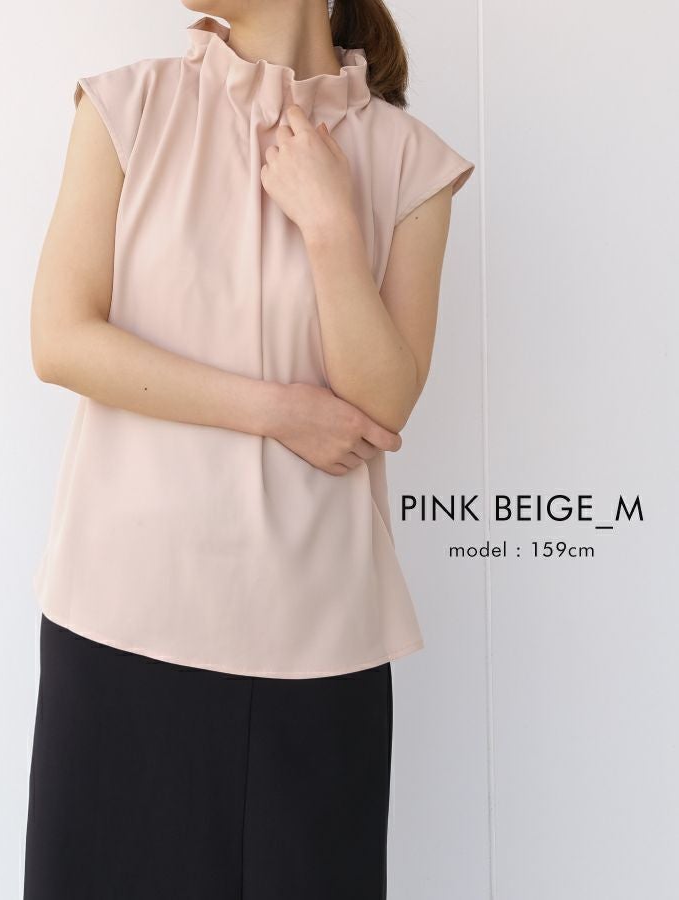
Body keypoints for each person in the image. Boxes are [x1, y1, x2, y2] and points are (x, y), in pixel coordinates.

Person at [23, 1, 475, 897]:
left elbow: (384, 401)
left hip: (320, 643)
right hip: (121, 621)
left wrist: (331, 224)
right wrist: (278, 411)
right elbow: (60, 340)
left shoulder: (410, 162)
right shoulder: (126, 106)